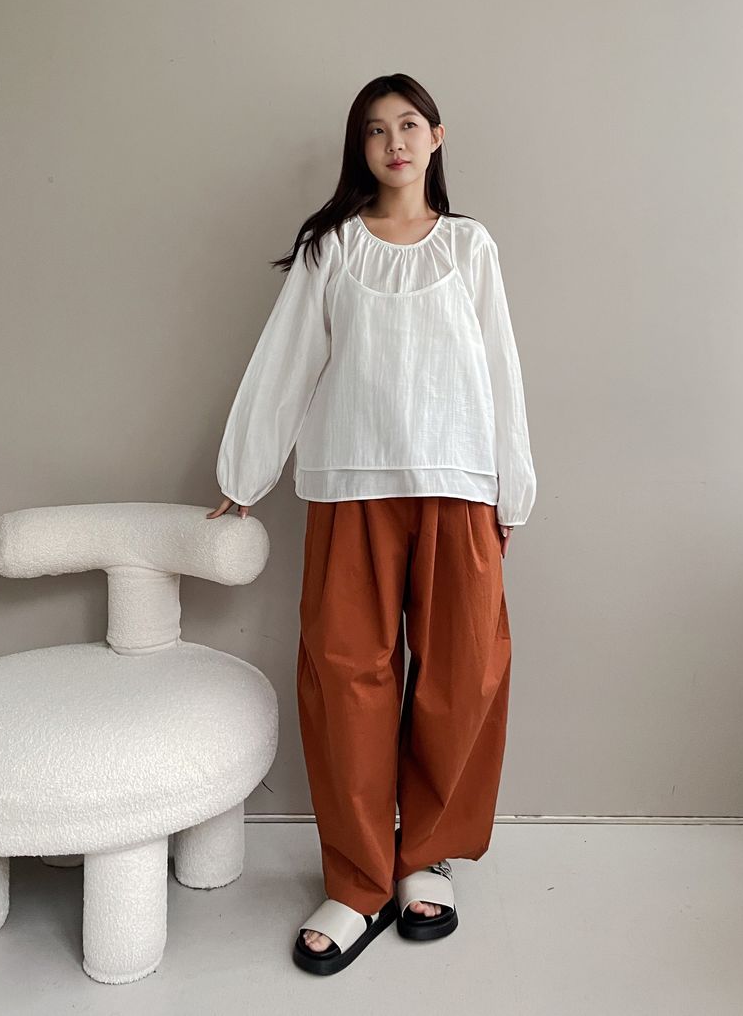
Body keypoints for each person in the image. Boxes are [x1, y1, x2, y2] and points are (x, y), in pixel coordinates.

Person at [206, 72, 536, 975]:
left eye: (409, 125)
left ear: (436, 137)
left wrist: (512, 489)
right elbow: (284, 361)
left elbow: (501, 370)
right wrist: (244, 474)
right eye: (375, 130)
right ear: (361, 147)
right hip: (350, 484)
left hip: (458, 485)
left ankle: (426, 855)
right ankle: (356, 881)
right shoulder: (333, 248)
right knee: (347, 676)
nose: (394, 142)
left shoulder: (470, 248)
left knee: (461, 675)